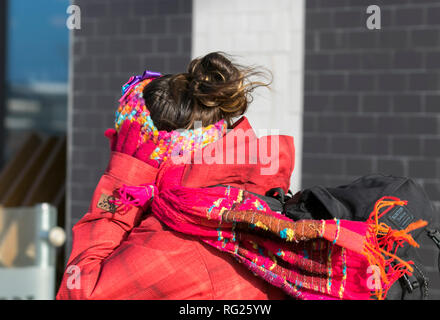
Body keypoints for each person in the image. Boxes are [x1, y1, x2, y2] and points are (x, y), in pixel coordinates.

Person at [56, 52, 402, 300]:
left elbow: (80, 293)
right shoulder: (248, 206)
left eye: (124, 140)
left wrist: (122, 177)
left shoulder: (180, 239)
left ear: (147, 152)